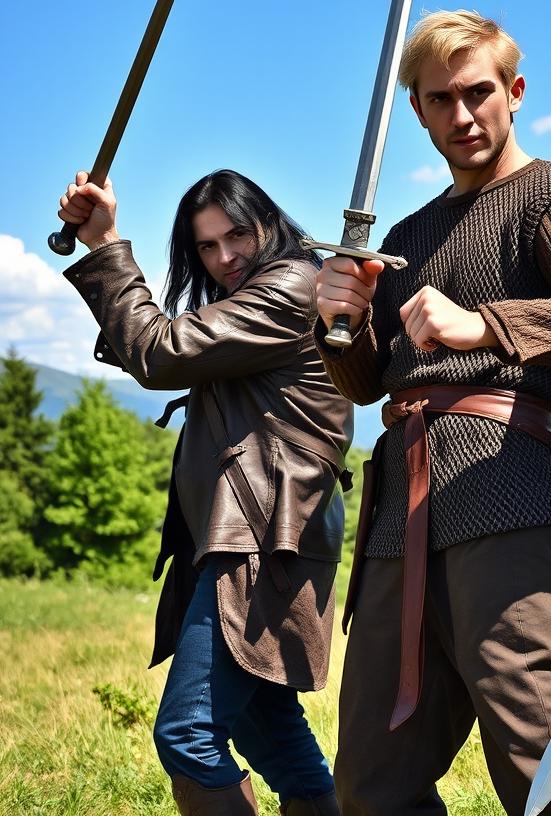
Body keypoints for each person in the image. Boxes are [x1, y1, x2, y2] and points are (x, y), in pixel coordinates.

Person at [313, 9, 551, 815]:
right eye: (441, 99)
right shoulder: (405, 234)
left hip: (509, 502)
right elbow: (366, 385)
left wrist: (488, 324)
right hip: (400, 520)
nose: (462, 115)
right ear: (418, 110)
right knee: (372, 783)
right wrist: (342, 321)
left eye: (479, 93)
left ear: (516, 91)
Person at [57, 169, 351, 816]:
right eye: (207, 248)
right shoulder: (267, 296)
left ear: (268, 224)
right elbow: (155, 352)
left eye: (236, 235)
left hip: (260, 541)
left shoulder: (294, 285)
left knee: (188, 735)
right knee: (271, 731)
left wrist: (106, 244)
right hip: (252, 536)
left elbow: (159, 352)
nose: (224, 258)